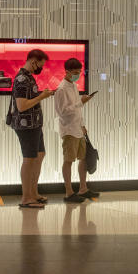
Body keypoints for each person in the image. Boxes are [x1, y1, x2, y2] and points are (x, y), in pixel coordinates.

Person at [9, 49, 54, 209]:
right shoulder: (22, 79)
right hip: (26, 125)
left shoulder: (28, 78)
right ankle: (26, 197)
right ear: (34, 61)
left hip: (34, 124)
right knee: (29, 159)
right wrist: (42, 96)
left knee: (39, 155)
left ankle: (33, 192)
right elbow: (21, 106)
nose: (40, 68)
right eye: (40, 65)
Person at [53, 57, 98, 203]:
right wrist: (81, 103)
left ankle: (83, 188)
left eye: (79, 72)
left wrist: (83, 125)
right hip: (69, 130)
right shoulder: (61, 89)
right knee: (69, 160)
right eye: (75, 72)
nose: (77, 75)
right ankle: (68, 192)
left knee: (83, 158)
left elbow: (77, 110)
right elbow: (63, 112)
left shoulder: (73, 86)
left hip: (78, 128)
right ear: (67, 71)